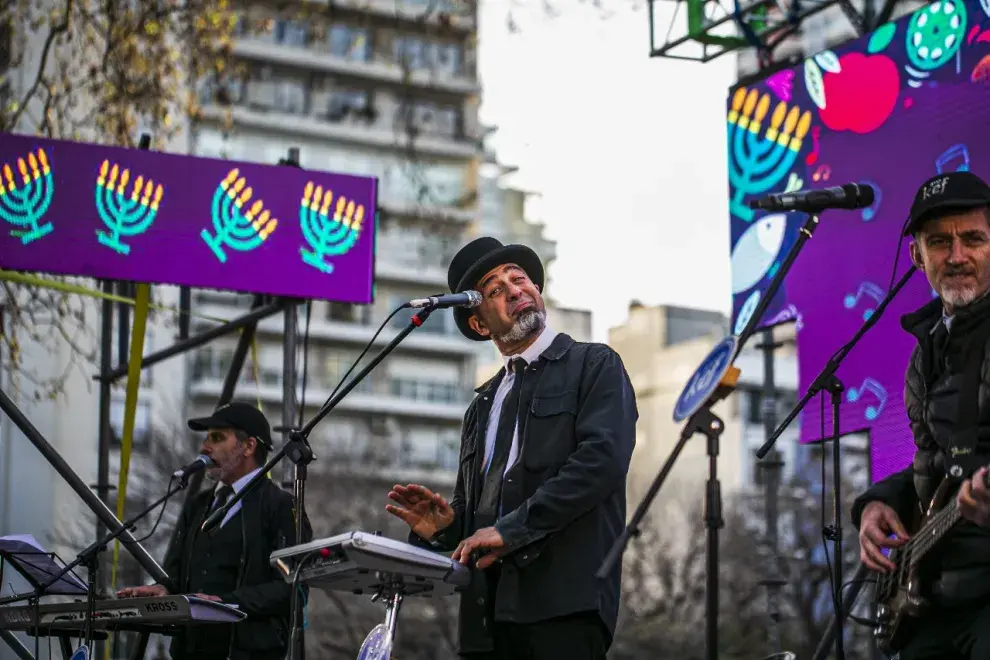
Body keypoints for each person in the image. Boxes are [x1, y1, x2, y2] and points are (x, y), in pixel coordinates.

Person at [385, 237, 638, 660]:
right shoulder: (481, 405)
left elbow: (602, 461)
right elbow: (479, 518)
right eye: (496, 290)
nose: (516, 290)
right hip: (484, 620)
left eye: (519, 279)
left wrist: (514, 529)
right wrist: (446, 528)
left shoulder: (595, 365)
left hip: (563, 610)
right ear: (480, 324)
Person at [852, 171, 990, 659]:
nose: (957, 256)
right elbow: (931, 461)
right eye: (939, 243)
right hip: (935, 601)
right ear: (917, 256)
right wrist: (873, 504)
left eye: (973, 239)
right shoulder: (926, 350)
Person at [117, 402, 311, 660]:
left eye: (217, 437)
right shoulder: (198, 505)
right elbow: (177, 573)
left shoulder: (280, 506)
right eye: (207, 437)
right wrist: (164, 589)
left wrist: (225, 603)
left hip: (248, 653)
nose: (205, 447)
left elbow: (292, 588)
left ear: (249, 446)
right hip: (191, 651)